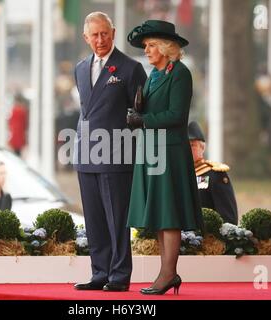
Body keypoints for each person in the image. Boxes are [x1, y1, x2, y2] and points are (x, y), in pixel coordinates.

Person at [126, 20, 203, 295]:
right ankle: (167, 273)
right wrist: (136, 111)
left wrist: (143, 119)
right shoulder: (155, 75)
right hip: (152, 149)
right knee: (159, 213)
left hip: (169, 150)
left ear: (164, 47)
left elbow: (177, 116)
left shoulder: (180, 73)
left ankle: (168, 274)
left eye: (149, 46)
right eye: (145, 46)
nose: (146, 51)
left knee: (168, 214)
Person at [73, 12, 147, 292]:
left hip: (116, 156)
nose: (100, 40)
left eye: (105, 33)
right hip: (85, 155)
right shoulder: (80, 68)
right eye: (95, 35)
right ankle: (100, 272)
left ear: (113, 33)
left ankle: (119, 275)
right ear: (86, 37)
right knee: (94, 219)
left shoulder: (130, 68)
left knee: (117, 219)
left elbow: (141, 114)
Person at [188, 121, 238, 224]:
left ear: (202, 148)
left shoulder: (214, 175)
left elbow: (228, 217)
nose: (187, 149)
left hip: (209, 237)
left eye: (192, 145)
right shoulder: (177, 176)